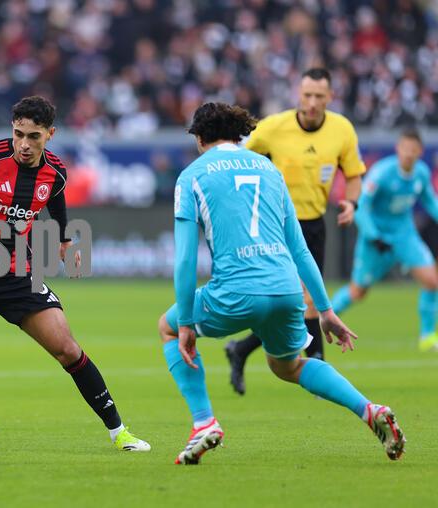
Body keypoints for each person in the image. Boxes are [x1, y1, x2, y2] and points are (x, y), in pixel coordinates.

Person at [160, 102, 405, 465]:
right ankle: (369, 410)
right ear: (238, 134)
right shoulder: (269, 169)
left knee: (166, 328)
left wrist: (184, 323)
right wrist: (324, 309)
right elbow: (300, 249)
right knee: (288, 366)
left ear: (199, 138)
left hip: (235, 291)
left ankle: (203, 423)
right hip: (286, 289)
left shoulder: (192, 176)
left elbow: (184, 260)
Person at [0, 96, 150, 451]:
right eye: (19, 134)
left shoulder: (54, 172)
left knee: (68, 349)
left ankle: (121, 433)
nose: (24, 145)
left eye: (34, 137)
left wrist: (64, 237)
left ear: (50, 134)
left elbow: (57, 201)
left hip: (15, 274)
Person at [224, 68, 367, 395]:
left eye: (319, 96)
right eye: (307, 95)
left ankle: (242, 349)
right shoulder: (274, 128)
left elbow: (355, 174)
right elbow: (241, 162)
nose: (313, 102)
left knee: (295, 302)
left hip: (314, 225)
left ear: (330, 97)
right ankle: (317, 365)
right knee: (302, 301)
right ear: (298, 95)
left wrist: (351, 203)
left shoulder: (342, 130)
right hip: (275, 224)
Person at [331, 129, 438, 352]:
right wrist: (373, 236)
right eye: (405, 148)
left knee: (431, 280)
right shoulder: (382, 173)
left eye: (413, 150)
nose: (408, 154)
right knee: (357, 292)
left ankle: (427, 337)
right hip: (376, 240)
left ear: (420, 152)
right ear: (398, 149)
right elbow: (361, 207)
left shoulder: (421, 173)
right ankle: (321, 320)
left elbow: (430, 201)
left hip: (405, 235)